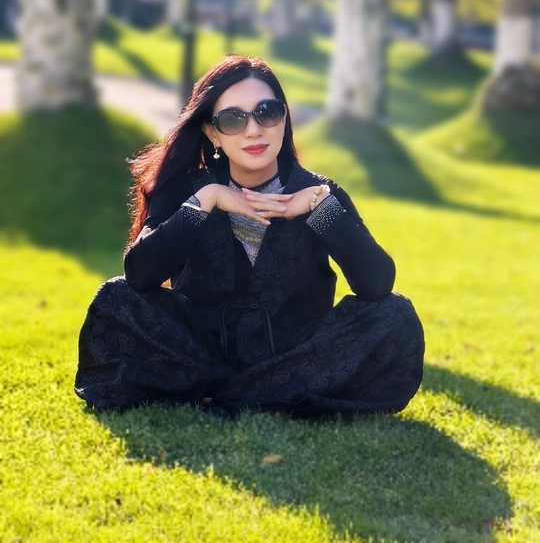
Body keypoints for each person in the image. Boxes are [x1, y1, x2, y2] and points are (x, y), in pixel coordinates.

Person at [74, 55, 424, 420]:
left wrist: (320, 208)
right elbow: (139, 275)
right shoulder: (186, 192)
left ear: (284, 118)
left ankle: (228, 394)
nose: (253, 130)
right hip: (199, 355)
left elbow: (376, 286)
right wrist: (205, 201)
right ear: (212, 133)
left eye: (266, 112)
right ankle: (264, 394)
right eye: (232, 119)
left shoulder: (320, 194)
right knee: (115, 297)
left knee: (395, 314)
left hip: (297, 358)